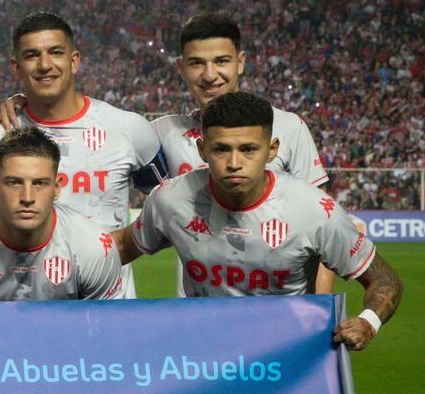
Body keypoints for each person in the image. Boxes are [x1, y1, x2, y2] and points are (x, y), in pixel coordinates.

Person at [114, 92, 402, 351]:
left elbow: (385, 278)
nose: (234, 162)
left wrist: (368, 322)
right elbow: (122, 247)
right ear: (202, 150)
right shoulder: (171, 200)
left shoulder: (314, 210)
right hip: (207, 355)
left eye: (248, 149)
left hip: (287, 356)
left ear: (272, 149)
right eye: (221, 149)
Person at [0, 12, 161, 298]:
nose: (45, 65)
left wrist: (117, 249)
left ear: (74, 61)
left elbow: (170, 206)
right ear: (15, 68)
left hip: (107, 310)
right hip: (22, 313)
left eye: (55, 52)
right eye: (32, 55)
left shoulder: (129, 129)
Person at [153, 13, 334, 293]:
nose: (210, 74)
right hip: (202, 316)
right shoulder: (163, 134)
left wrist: (319, 313)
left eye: (222, 61)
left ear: (241, 62)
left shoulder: (287, 127)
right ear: (181, 68)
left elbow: (324, 230)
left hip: (280, 316)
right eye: (197, 63)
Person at [0, 128, 121, 300]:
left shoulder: (95, 249)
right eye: (14, 182)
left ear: (57, 187)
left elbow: (102, 330)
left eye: (39, 183)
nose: (27, 197)